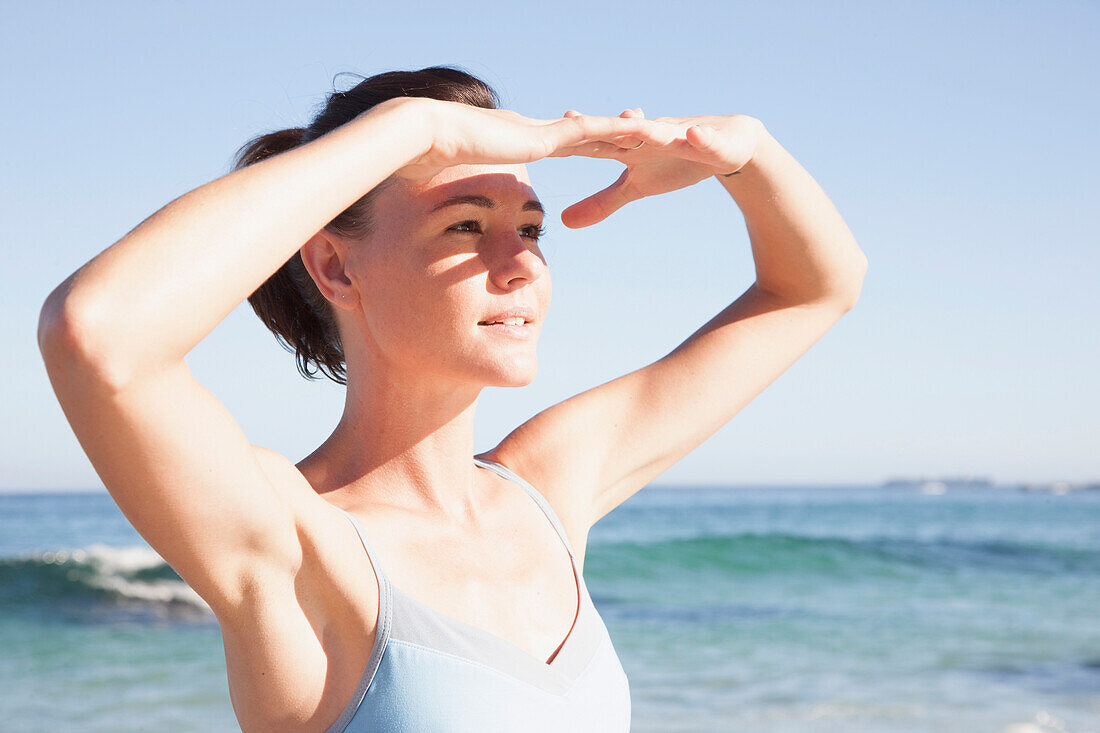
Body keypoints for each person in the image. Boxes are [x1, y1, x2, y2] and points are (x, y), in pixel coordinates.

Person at [36, 66, 867, 731]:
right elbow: (99, 334)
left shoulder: (549, 487)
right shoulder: (297, 538)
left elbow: (816, 288)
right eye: (466, 225)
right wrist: (415, 129)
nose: (521, 265)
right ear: (334, 267)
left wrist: (746, 153)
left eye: (532, 228)